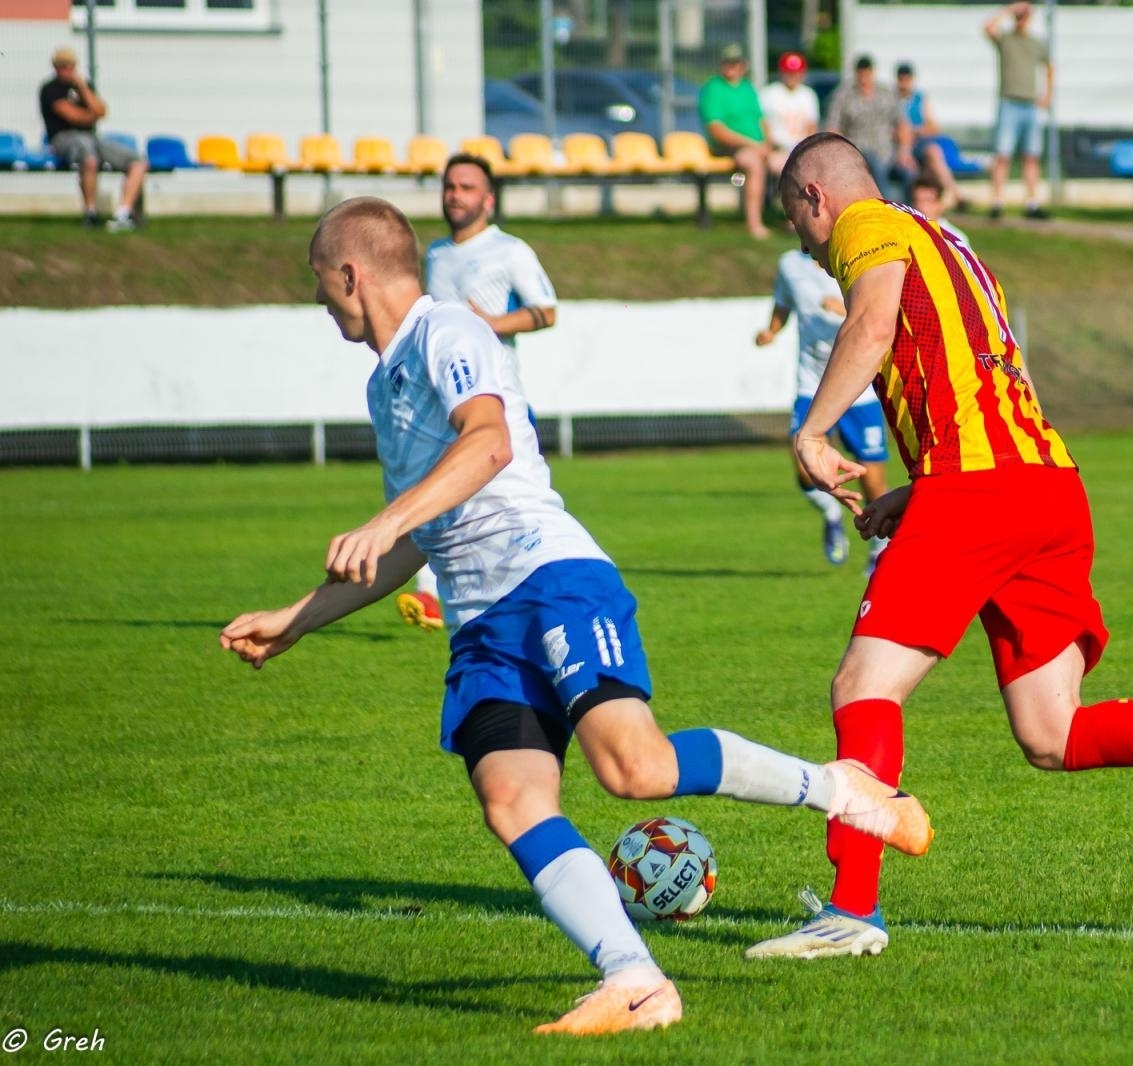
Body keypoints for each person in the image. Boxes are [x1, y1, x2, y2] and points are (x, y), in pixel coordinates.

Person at [219, 196, 932, 1034]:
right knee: (512, 800)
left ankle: (838, 788)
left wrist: (385, 520)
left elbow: (484, 445)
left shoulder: (446, 332)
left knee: (632, 768)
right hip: (481, 623)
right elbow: (418, 538)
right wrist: (297, 617)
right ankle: (635, 981)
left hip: (551, 577)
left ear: (351, 273)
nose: (318, 302)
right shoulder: (386, 384)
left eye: (320, 283)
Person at [745, 134, 1133, 960]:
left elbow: (870, 326)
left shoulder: (867, 226)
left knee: (862, 686)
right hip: (1046, 484)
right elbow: (993, 370)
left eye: (794, 219)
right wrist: (921, 487)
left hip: (982, 490)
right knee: (1053, 733)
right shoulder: (955, 244)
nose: (800, 239)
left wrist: (813, 429)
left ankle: (852, 909)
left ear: (813, 199)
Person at [396, 153, 561, 632]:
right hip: (440, 401)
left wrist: (490, 325)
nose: (455, 195)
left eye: (467, 187)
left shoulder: (509, 250)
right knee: (437, 492)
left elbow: (546, 311)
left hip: (496, 399)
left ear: (488, 199)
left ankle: (531, 587)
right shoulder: (436, 254)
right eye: (450, 186)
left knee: (511, 503)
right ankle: (432, 598)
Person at [755, 246, 891, 571]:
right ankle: (830, 513)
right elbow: (783, 302)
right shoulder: (789, 263)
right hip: (811, 385)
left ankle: (879, 548)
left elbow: (882, 314)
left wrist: (845, 309)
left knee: (872, 480)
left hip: (859, 387)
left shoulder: (856, 256)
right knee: (804, 465)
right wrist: (772, 330)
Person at [38, 45, 148, 232]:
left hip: (91, 136)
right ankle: (91, 213)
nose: (66, 70)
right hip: (64, 138)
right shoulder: (50, 89)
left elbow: (101, 111)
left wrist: (82, 89)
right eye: (62, 66)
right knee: (89, 158)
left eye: (70, 66)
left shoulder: (84, 86)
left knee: (138, 161)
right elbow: (72, 116)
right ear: (55, 67)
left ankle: (124, 213)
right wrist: (91, 114)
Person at [983, 3, 1053, 220]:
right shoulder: (1006, 40)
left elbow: (1049, 67)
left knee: (1031, 156)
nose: (1021, 19)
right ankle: (997, 201)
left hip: (1030, 104)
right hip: (1009, 102)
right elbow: (988, 27)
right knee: (1002, 154)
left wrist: (1047, 94)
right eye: (1019, 16)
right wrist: (1010, 9)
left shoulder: (1036, 43)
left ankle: (1032, 202)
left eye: (1024, 16)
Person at [700, 43, 772, 239]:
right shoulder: (713, 88)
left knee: (788, 163)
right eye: (728, 63)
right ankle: (754, 223)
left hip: (758, 146)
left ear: (743, 65)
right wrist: (751, 144)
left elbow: (761, 120)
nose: (732, 67)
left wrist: (767, 143)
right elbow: (716, 129)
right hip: (729, 148)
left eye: (736, 63)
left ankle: (794, 221)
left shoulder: (747, 88)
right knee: (754, 164)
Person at [823, 55, 912, 198]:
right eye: (861, 74)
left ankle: (913, 214)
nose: (864, 78)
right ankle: (886, 207)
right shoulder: (843, 95)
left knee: (910, 173)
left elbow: (902, 124)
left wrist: (904, 151)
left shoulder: (886, 93)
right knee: (874, 163)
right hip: (859, 151)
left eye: (867, 73)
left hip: (888, 151)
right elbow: (833, 126)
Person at [893, 62, 960, 210]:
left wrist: (918, 130)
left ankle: (952, 193)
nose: (904, 84)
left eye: (907, 80)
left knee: (934, 153)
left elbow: (934, 126)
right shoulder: (891, 99)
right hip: (899, 145)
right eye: (902, 80)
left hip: (919, 142)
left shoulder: (919, 99)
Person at [760, 52, 820, 176]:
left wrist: (808, 148)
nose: (792, 76)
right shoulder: (770, 93)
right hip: (777, 149)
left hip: (801, 148)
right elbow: (762, 122)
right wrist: (769, 146)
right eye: (789, 72)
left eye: (796, 72)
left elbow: (812, 126)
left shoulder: (808, 94)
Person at [908, 176, 969, 246]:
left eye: (927, 200)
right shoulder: (903, 232)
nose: (920, 207)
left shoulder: (957, 238)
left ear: (940, 204)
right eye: (916, 200)